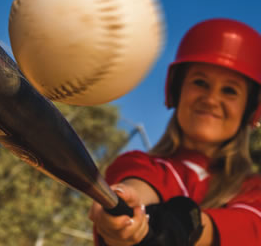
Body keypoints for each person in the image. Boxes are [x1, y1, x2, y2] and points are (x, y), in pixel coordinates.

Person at [89, 18, 261, 246]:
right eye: (200, 82)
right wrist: (125, 208)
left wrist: (185, 225)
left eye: (230, 90)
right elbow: (138, 186)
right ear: (176, 90)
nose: (210, 99)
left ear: (250, 110)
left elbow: (250, 229)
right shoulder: (141, 164)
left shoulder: (253, 190)